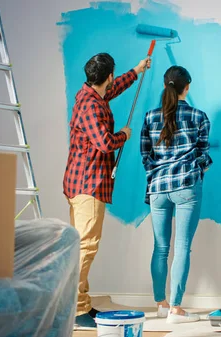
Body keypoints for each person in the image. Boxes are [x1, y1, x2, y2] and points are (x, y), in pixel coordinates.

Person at [63, 52, 151, 328]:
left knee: (84, 246)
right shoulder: (91, 105)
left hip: (84, 182)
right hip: (87, 185)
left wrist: (136, 71)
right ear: (107, 75)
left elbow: (112, 90)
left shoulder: (93, 93)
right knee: (86, 248)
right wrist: (124, 134)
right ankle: (76, 310)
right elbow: (104, 142)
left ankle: (82, 304)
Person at [140, 65, 212, 324]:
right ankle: (176, 309)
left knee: (161, 247)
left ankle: (161, 303)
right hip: (186, 187)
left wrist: (157, 176)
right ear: (187, 87)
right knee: (181, 247)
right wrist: (195, 169)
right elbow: (203, 153)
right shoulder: (199, 116)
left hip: (158, 188)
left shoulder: (149, 117)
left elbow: (145, 155)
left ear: (165, 85)